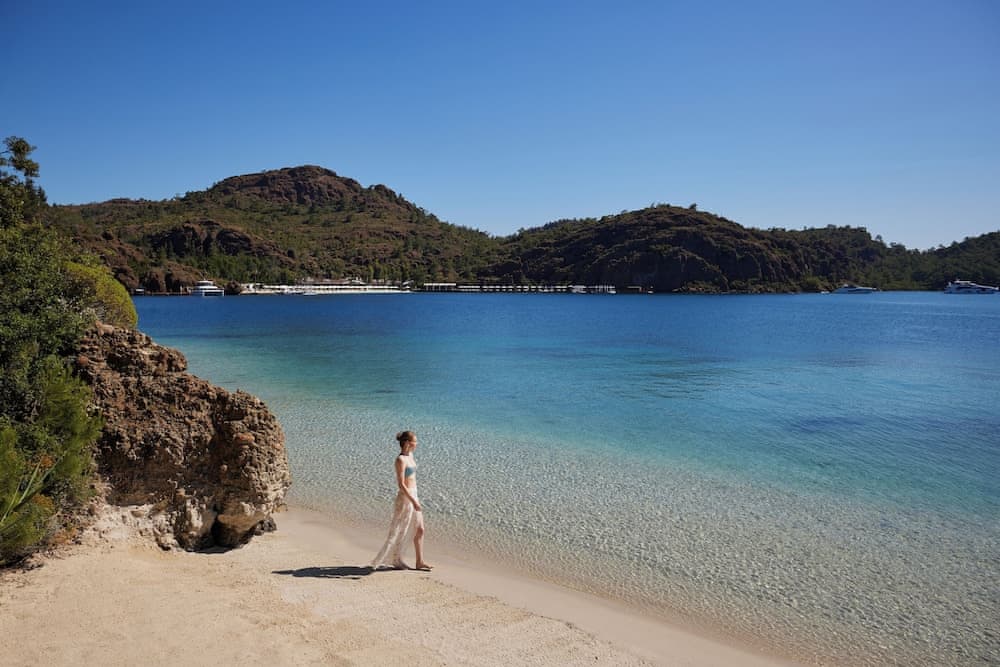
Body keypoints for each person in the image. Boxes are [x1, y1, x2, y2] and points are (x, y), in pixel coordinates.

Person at [371, 430, 432, 571]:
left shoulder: (410, 455)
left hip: (414, 494)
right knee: (400, 529)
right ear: (407, 443)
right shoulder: (400, 460)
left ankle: (419, 562)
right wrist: (413, 501)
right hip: (405, 497)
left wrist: (415, 498)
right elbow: (401, 484)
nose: (417, 444)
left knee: (420, 529)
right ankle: (396, 559)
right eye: (415, 441)